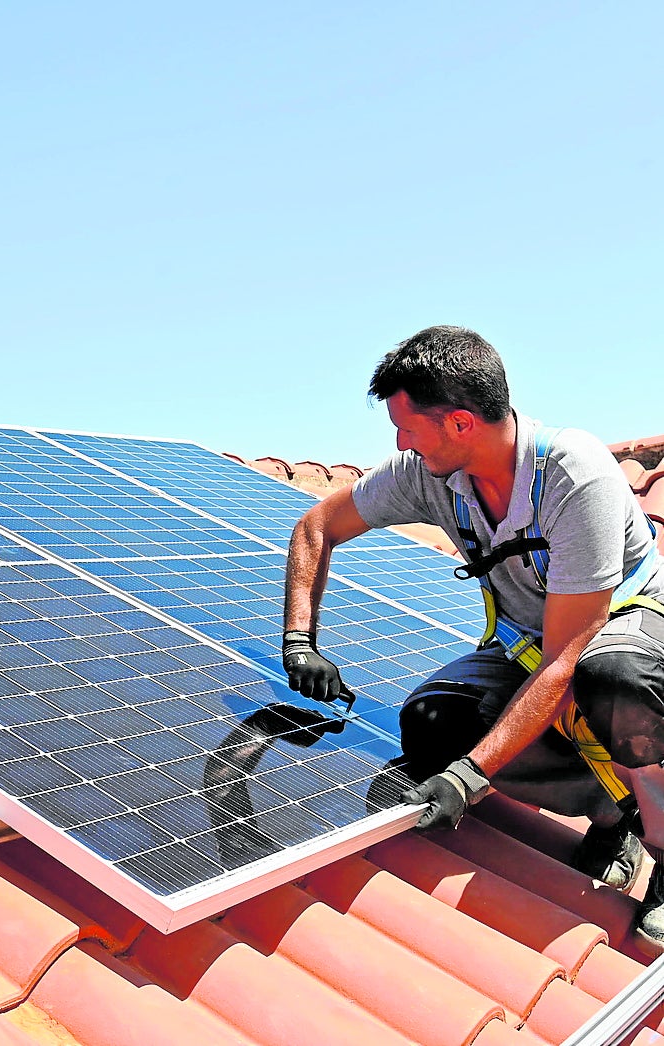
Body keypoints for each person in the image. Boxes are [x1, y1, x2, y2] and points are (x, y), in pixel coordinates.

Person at [281, 325, 664, 946]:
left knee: (611, 677)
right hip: (535, 643)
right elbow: (316, 526)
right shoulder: (426, 475)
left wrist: (471, 777)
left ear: (461, 423)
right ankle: (611, 808)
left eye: (407, 427)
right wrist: (300, 639)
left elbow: (567, 659)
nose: (400, 443)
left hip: (624, 635)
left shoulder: (574, 476)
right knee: (432, 727)